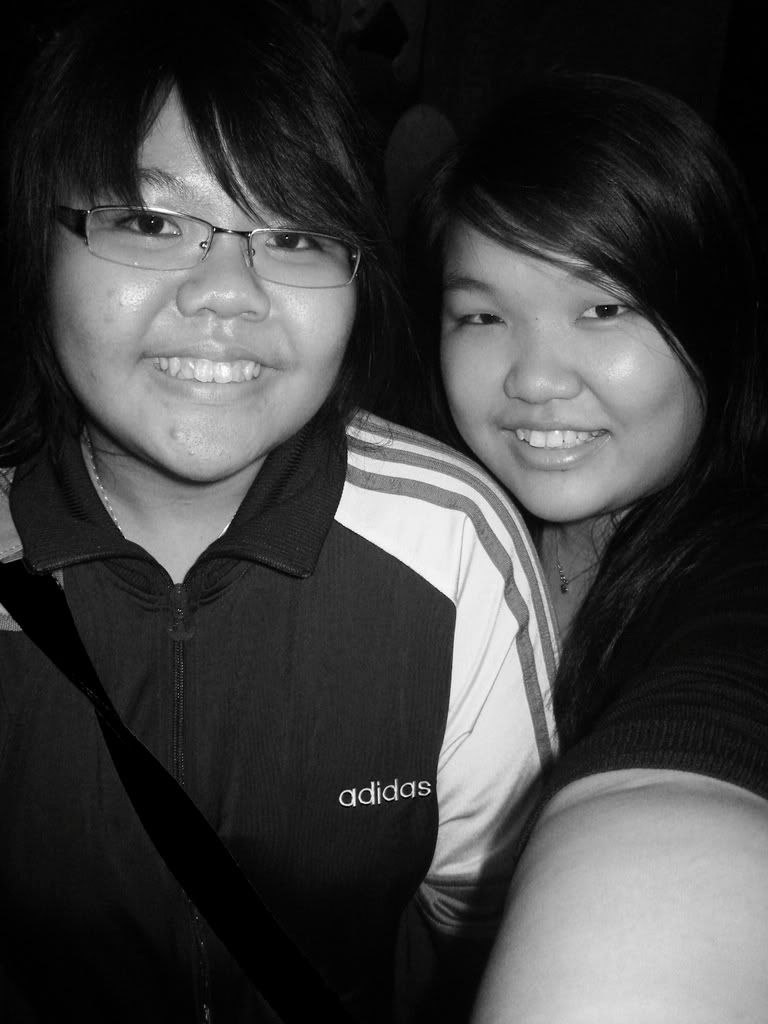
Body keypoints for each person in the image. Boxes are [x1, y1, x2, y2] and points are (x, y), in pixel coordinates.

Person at [0, 5, 558, 1022]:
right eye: (152, 221)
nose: (229, 292)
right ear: (42, 242)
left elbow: (479, 932)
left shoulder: (450, 542)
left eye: (294, 234)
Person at [406, 72, 768, 1021]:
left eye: (603, 308)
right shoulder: (428, 535)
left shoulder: (738, 565)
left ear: (715, 315)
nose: (533, 378)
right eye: (482, 316)